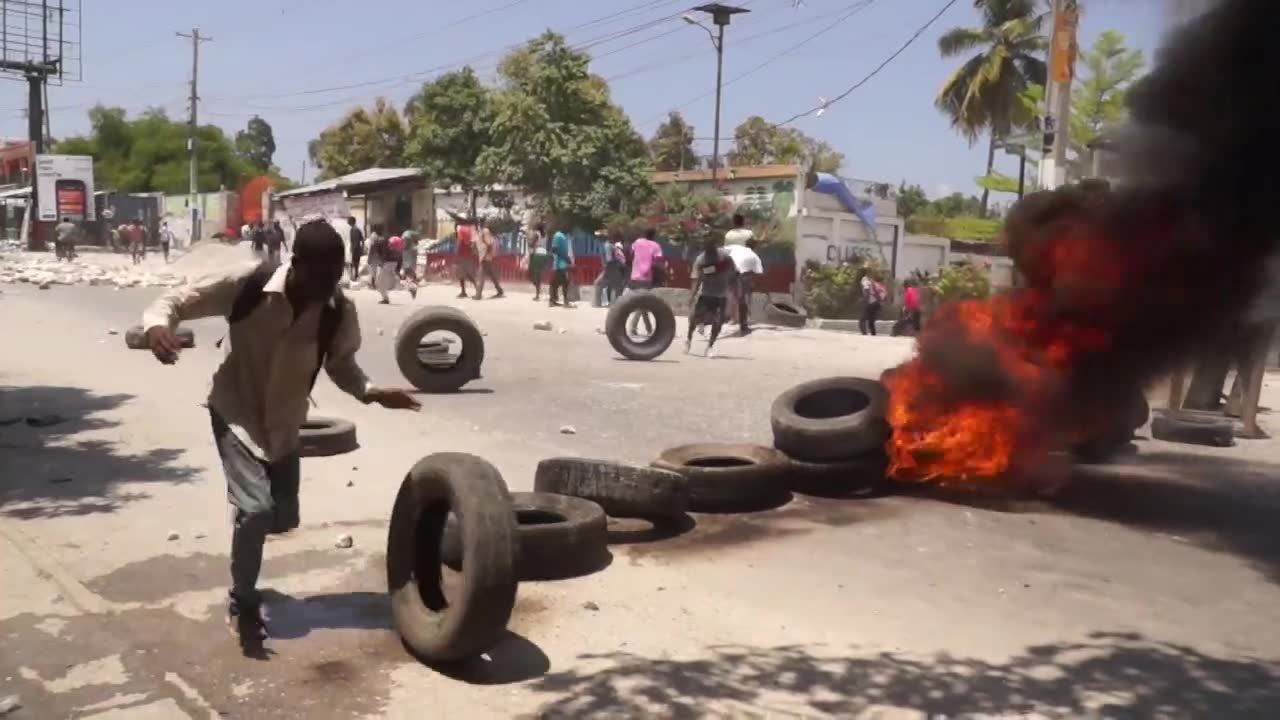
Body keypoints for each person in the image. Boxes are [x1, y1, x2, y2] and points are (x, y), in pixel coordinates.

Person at [140, 220, 419, 651]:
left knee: (282, 518)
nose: (326, 287)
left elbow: (341, 364)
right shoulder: (247, 284)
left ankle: (249, 519)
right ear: (297, 264)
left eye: (335, 277)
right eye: (319, 276)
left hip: (287, 422)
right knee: (256, 510)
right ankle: (242, 601)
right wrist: (158, 326)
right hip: (236, 412)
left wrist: (372, 392)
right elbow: (176, 300)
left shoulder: (336, 309)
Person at [686, 235, 734, 358]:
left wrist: (732, 292)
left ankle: (710, 346)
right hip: (706, 294)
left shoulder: (725, 256)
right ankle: (688, 339)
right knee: (694, 320)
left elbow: (733, 272)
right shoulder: (700, 259)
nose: (708, 248)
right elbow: (696, 279)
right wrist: (691, 296)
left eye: (711, 246)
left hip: (721, 294)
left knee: (718, 321)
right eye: (706, 246)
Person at [725, 240, 764, 335]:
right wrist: (762, 288)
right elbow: (759, 273)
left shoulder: (736, 247)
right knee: (742, 300)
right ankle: (743, 325)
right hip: (741, 276)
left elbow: (722, 250)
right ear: (755, 247)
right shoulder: (755, 257)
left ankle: (727, 317)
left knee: (729, 295)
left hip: (727, 271)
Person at [473, 219, 504, 299]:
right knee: (492, 274)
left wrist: (485, 253)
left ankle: (478, 294)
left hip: (485, 255)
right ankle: (499, 290)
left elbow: (488, 243)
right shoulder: (485, 231)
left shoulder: (485, 231)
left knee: (481, 275)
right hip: (487, 255)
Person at [368, 228, 396, 303]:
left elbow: (379, 255)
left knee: (378, 282)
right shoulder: (385, 240)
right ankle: (388, 293)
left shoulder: (378, 242)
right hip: (392, 262)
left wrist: (381, 262)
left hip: (387, 263)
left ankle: (385, 299)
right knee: (385, 279)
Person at [548, 228, 575, 308]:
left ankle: (553, 301)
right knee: (560, 283)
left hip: (562, 263)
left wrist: (567, 259)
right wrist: (565, 258)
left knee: (559, 283)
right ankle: (564, 302)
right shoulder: (558, 235)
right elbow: (554, 249)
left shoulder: (563, 236)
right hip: (559, 263)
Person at [454, 219, 478, 299]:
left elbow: (460, 242)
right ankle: (469, 290)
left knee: (463, 274)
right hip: (468, 255)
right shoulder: (472, 229)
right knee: (466, 274)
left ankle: (467, 291)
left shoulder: (460, 229)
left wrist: (457, 255)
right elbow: (473, 243)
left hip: (462, 255)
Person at [527, 223, 549, 301]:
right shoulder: (546, 235)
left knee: (533, 274)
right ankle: (538, 293)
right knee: (539, 275)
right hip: (544, 254)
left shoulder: (536, 234)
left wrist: (529, 242)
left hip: (537, 254)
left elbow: (532, 244)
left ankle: (537, 293)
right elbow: (547, 245)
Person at [346, 217, 365, 282]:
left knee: (353, 263)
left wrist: (353, 250)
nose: (347, 221)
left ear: (351, 221)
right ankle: (355, 276)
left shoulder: (354, 230)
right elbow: (362, 239)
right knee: (355, 264)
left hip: (355, 249)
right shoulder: (356, 229)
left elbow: (356, 241)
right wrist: (362, 247)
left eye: (348, 220)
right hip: (356, 249)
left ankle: (354, 277)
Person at [366, 224, 385, 288]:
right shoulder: (374, 236)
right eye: (380, 229)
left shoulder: (378, 236)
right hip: (375, 256)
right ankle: (373, 284)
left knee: (376, 271)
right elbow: (372, 248)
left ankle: (374, 284)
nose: (382, 230)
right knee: (374, 271)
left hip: (377, 256)